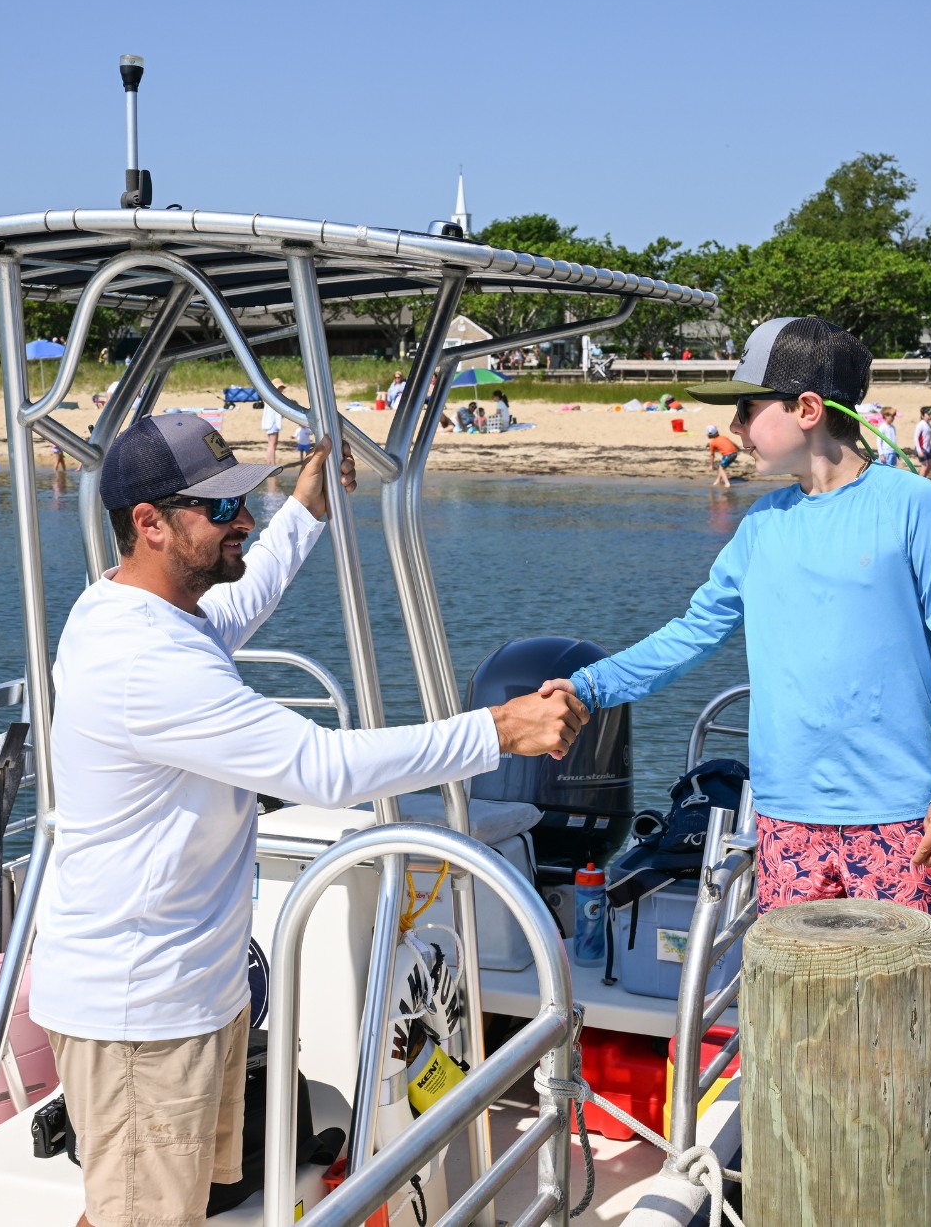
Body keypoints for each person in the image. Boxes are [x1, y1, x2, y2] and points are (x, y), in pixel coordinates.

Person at [30, 412, 586, 1227]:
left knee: (151, 1209)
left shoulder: (146, 613)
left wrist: (306, 510)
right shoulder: (140, 661)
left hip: (189, 992)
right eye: (220, 511)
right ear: (149, 524)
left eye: (245, 502)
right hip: (140, 1010)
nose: (242, 521)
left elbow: (238, 603)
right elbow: (319, 768)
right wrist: (499, 731)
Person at [541, 316, 931, 1227]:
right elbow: (689, 634)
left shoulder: (911, 507)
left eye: (748, 408)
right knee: (809, 1003)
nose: (736, 426)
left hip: (900, 817)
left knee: (926, 1000)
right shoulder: (762, 527)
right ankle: (840, 1168)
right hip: (786, 816)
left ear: (804, 409)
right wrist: (590, 684)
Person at [261, 377, 286, 465]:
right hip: (272, 423)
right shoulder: (273, 398)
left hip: (271, 423)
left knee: (273, 443)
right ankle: (272, 463)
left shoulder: (270, 397)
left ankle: (271, 462)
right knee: (272, 443)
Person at [706, 423, 738, 489]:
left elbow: (712, 455)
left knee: (721, 468)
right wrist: (739, 449)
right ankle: (718, 481)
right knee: (722, 467)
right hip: (734, 453)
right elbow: (733, 443)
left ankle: (727, 483)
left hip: (728, 455)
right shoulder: (723, 437)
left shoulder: (712, 443)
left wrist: (711, 465)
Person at [915, 405, 931, 479]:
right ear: (923, 415)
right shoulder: (921, 424)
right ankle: (919, 480)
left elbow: (928, 439)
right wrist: (919, 450)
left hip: (927, 449)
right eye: (928, 414)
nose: (930, 416)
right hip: (921, 448)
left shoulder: (929, 425)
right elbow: (916, 438)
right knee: (925, 465)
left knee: (930, 465)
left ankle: (923, 478)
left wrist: (930, 448)